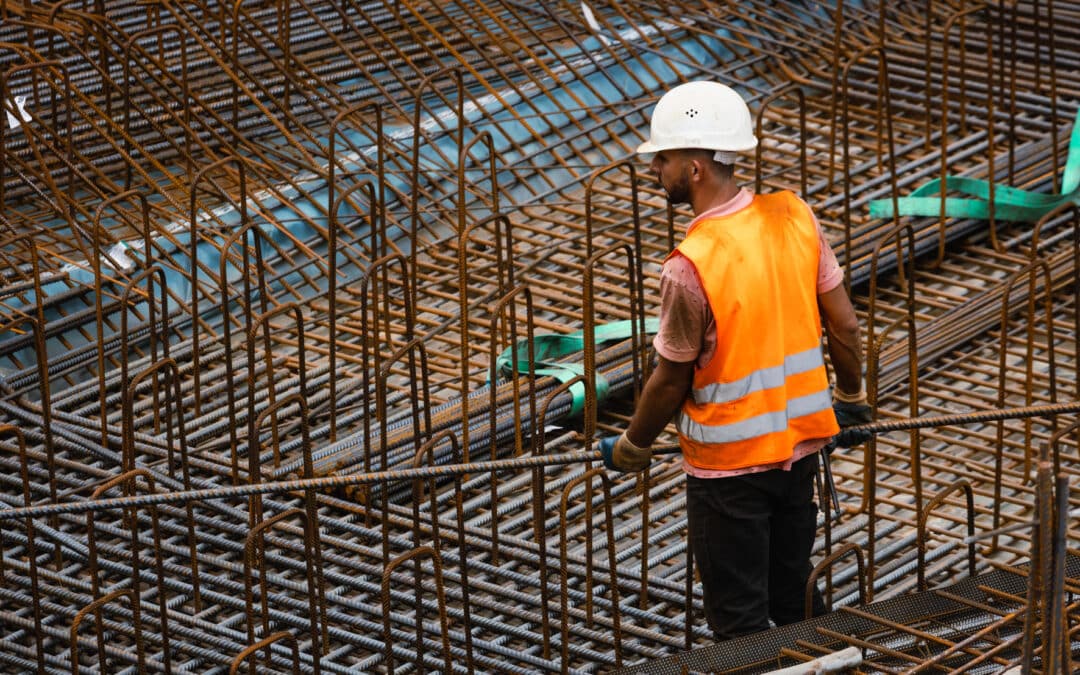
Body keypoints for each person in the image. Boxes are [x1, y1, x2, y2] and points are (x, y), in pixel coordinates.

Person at [599, 80, 872, 642]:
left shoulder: (689, 265)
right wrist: (851, 399)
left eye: (665, 159)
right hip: (799, 454)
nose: (656, 170)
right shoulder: (795, 216)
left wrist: (634, 444)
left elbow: (670, 378)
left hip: (728, 477)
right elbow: (844, 325)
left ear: (695, 167)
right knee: (794, 596)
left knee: (739, 624)